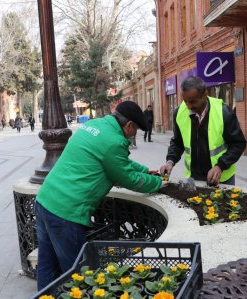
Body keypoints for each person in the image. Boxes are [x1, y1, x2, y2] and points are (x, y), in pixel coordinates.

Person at [34, 101, 165, 290]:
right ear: (129, 125)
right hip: (66, 213)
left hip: (45, 200)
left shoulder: (95, 125)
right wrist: (159, 182)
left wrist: (146, 170)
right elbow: (129, 178)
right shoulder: (114, 141)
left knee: (47, 266)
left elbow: (119, 162)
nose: (133, 135)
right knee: (80, 274)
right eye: (135, 130)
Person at [160, 76, 246, 186]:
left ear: (205, 95)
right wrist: (170, 161)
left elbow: (238, 144)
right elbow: (177, 142)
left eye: (192, 102)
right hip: (194, 177)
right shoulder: (179, 113)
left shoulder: (223, 112)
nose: (188, 106)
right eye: (185, 101)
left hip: (222, 178)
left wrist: (220, 166)